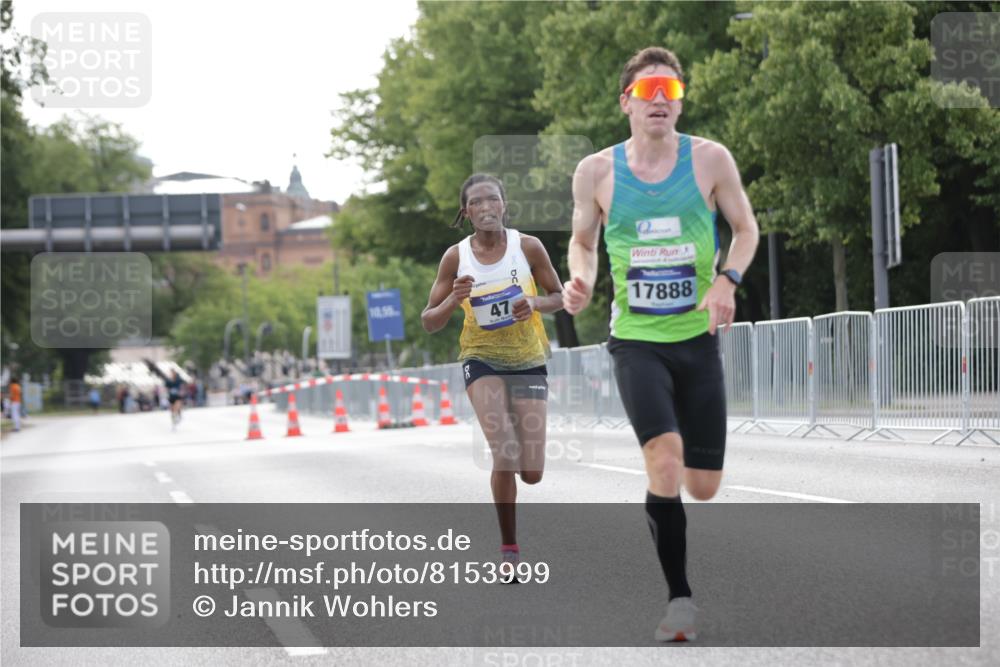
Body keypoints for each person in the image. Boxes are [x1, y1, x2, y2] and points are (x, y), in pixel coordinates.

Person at [562, 47, 760, 641]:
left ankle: (673, 512)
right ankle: (680, 602)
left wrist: (727, 279)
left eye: (669, 92)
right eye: (647, 91)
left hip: (697, 340)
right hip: (637, 342)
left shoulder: (710, 160)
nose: (658, 101)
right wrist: (583, 282)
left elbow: (746, 230)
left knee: (704, 484)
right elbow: (583, 243)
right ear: (625, 101)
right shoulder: (596, 172)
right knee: (666, 461)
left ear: (680, 102)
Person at [422, 173, 564, 583]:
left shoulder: (528, 247)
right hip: (480, 358)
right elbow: (429, 321)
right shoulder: (456, 258)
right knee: (503, 451)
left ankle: (522, 466)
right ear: (466, 213)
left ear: (504, 204)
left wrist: (535, 302)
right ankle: (509, 551)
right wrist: (454, 298)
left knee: (532, 471)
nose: (486, 208)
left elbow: (560, 296)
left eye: (493, 200)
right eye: (477, 203)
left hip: (528, 359)